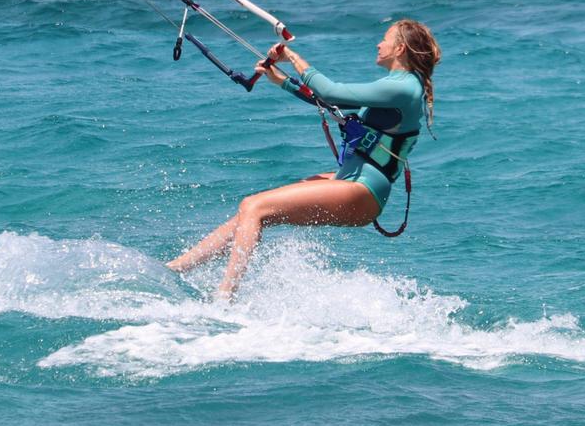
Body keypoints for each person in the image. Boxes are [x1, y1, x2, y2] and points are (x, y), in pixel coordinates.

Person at [166, 19, 441, 299]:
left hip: (364, 189)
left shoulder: (405, 88)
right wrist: (283, 81)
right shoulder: (398, 86)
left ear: (400, 48)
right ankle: (176, 269)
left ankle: (225, 297)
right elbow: (331, 102)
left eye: (385, 39)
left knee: (254, 206)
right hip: (352, 181)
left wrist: (292, 57)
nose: (378, 44)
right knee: (251, 213)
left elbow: (331, 91)